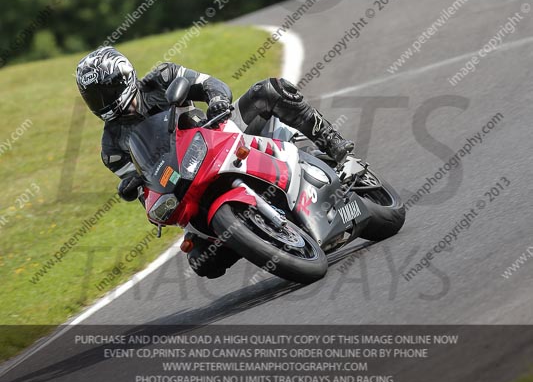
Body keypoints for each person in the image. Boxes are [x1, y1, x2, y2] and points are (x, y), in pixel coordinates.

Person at [75, 46, 354, 277]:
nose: (101, 102)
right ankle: (257, 236)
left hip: (217, 136)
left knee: (269, 91)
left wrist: (218, 100)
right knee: (201, 260)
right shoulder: (111, 148)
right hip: (186, 184)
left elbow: (210, 84)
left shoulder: (163, 77)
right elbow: (147, 191)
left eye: (105, 92)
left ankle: (333, 144)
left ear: (123, 78)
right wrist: (135, 187)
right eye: (93, 98)